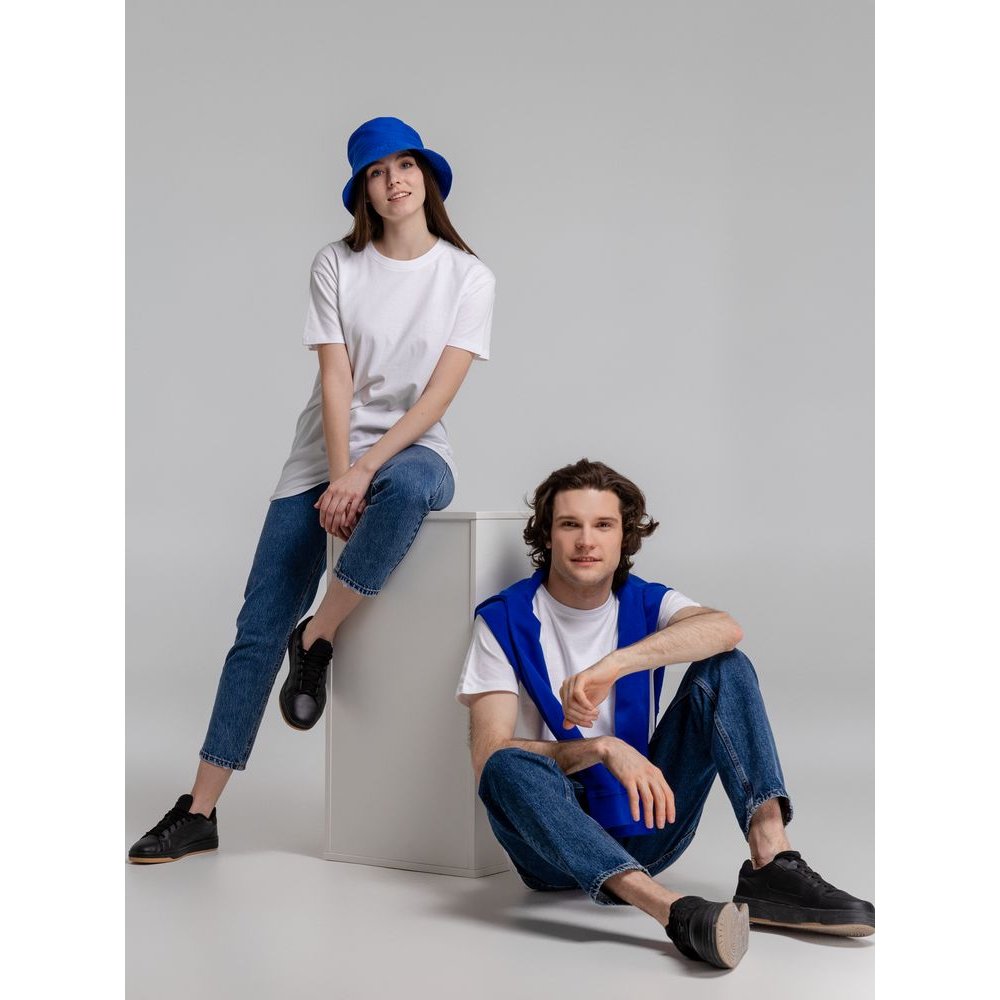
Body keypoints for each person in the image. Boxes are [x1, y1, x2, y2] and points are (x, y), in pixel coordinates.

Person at [129, 116, 496, 863]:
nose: (393, 180)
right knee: (257, 626)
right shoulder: (337, 263)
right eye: (376, 172)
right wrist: (338, 473)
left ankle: (318, 634)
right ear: (362, 191)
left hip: (412, 451)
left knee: (413, 485)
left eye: (404, 165)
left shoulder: (469, 277)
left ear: (426, 175)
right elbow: (336, 378)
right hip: (320, 459)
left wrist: (364, 471)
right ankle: (199, 810)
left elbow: (437, 396)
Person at [458, 459, 873, 970]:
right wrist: (601, 748)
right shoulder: (502, 620)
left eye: (603, 525)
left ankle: (771, 864)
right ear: (547, 533)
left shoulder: (645, 602)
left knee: (726, 666)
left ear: (624, 536)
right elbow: (487, 756)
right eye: (570, 524)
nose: (586, 541)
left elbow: (725, 630)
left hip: (646, 824)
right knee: (505, 764)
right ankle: (673, 910)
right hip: (548, 846)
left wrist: (615, 664)